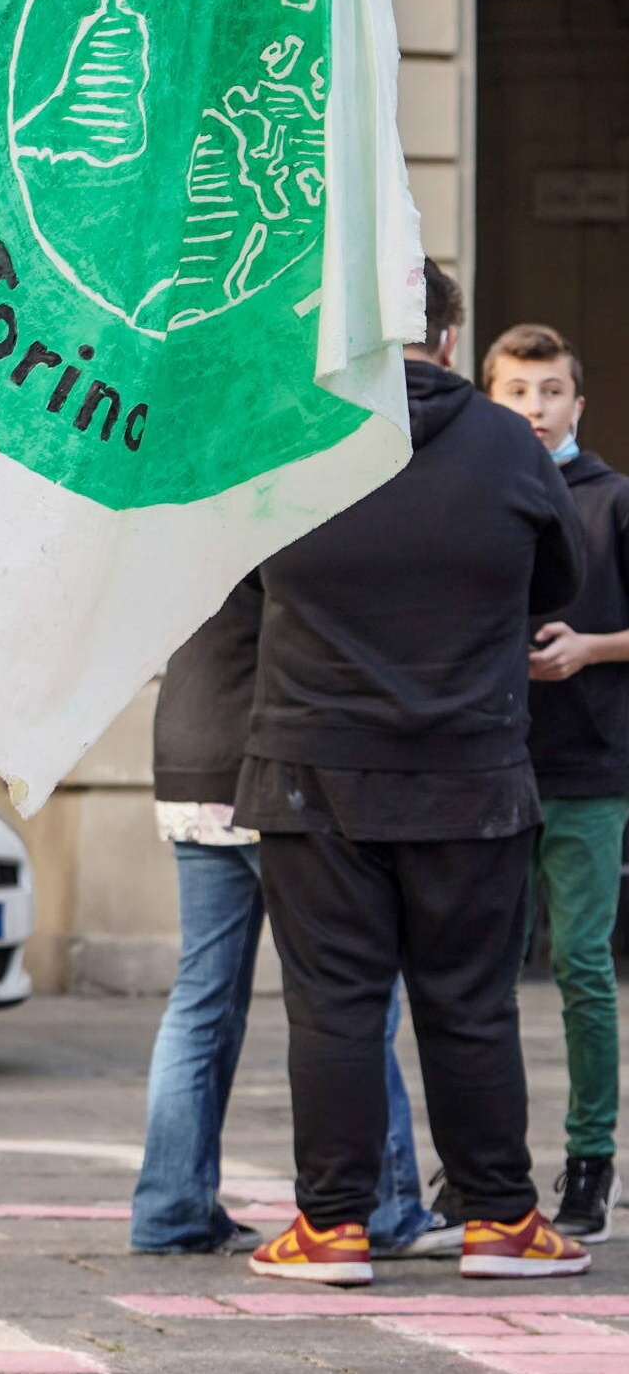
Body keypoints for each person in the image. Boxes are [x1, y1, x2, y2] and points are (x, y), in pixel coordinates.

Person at [242, 263, 589, 1285]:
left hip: (315, 768)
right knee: (471, 1003)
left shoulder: (289, 429)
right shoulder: (504, 441)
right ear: (447, 339)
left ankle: (331, 1229)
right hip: (471, 771)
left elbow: (243, 570)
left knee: (337, 1005)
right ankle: (501, 1223)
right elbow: (560, 572)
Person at [130, 587, 434, 1257]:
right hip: (275, 769)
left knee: (201, 998)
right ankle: (384, 1211)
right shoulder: (287, 502)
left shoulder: (188, 504)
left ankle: (169, 1212)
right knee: (350, 994)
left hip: (189, 760)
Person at [485, 322, 629, 1240]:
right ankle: (485, 1164)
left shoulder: (615, 501)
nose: (535, 409)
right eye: (517, 393)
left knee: (580, 967)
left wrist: (592, 648)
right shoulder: (479, 491)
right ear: (489, 397)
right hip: (490, 769)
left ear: (579, 402)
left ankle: (590, 1160)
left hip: (588, 770)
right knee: (482, 976)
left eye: (550, 393)